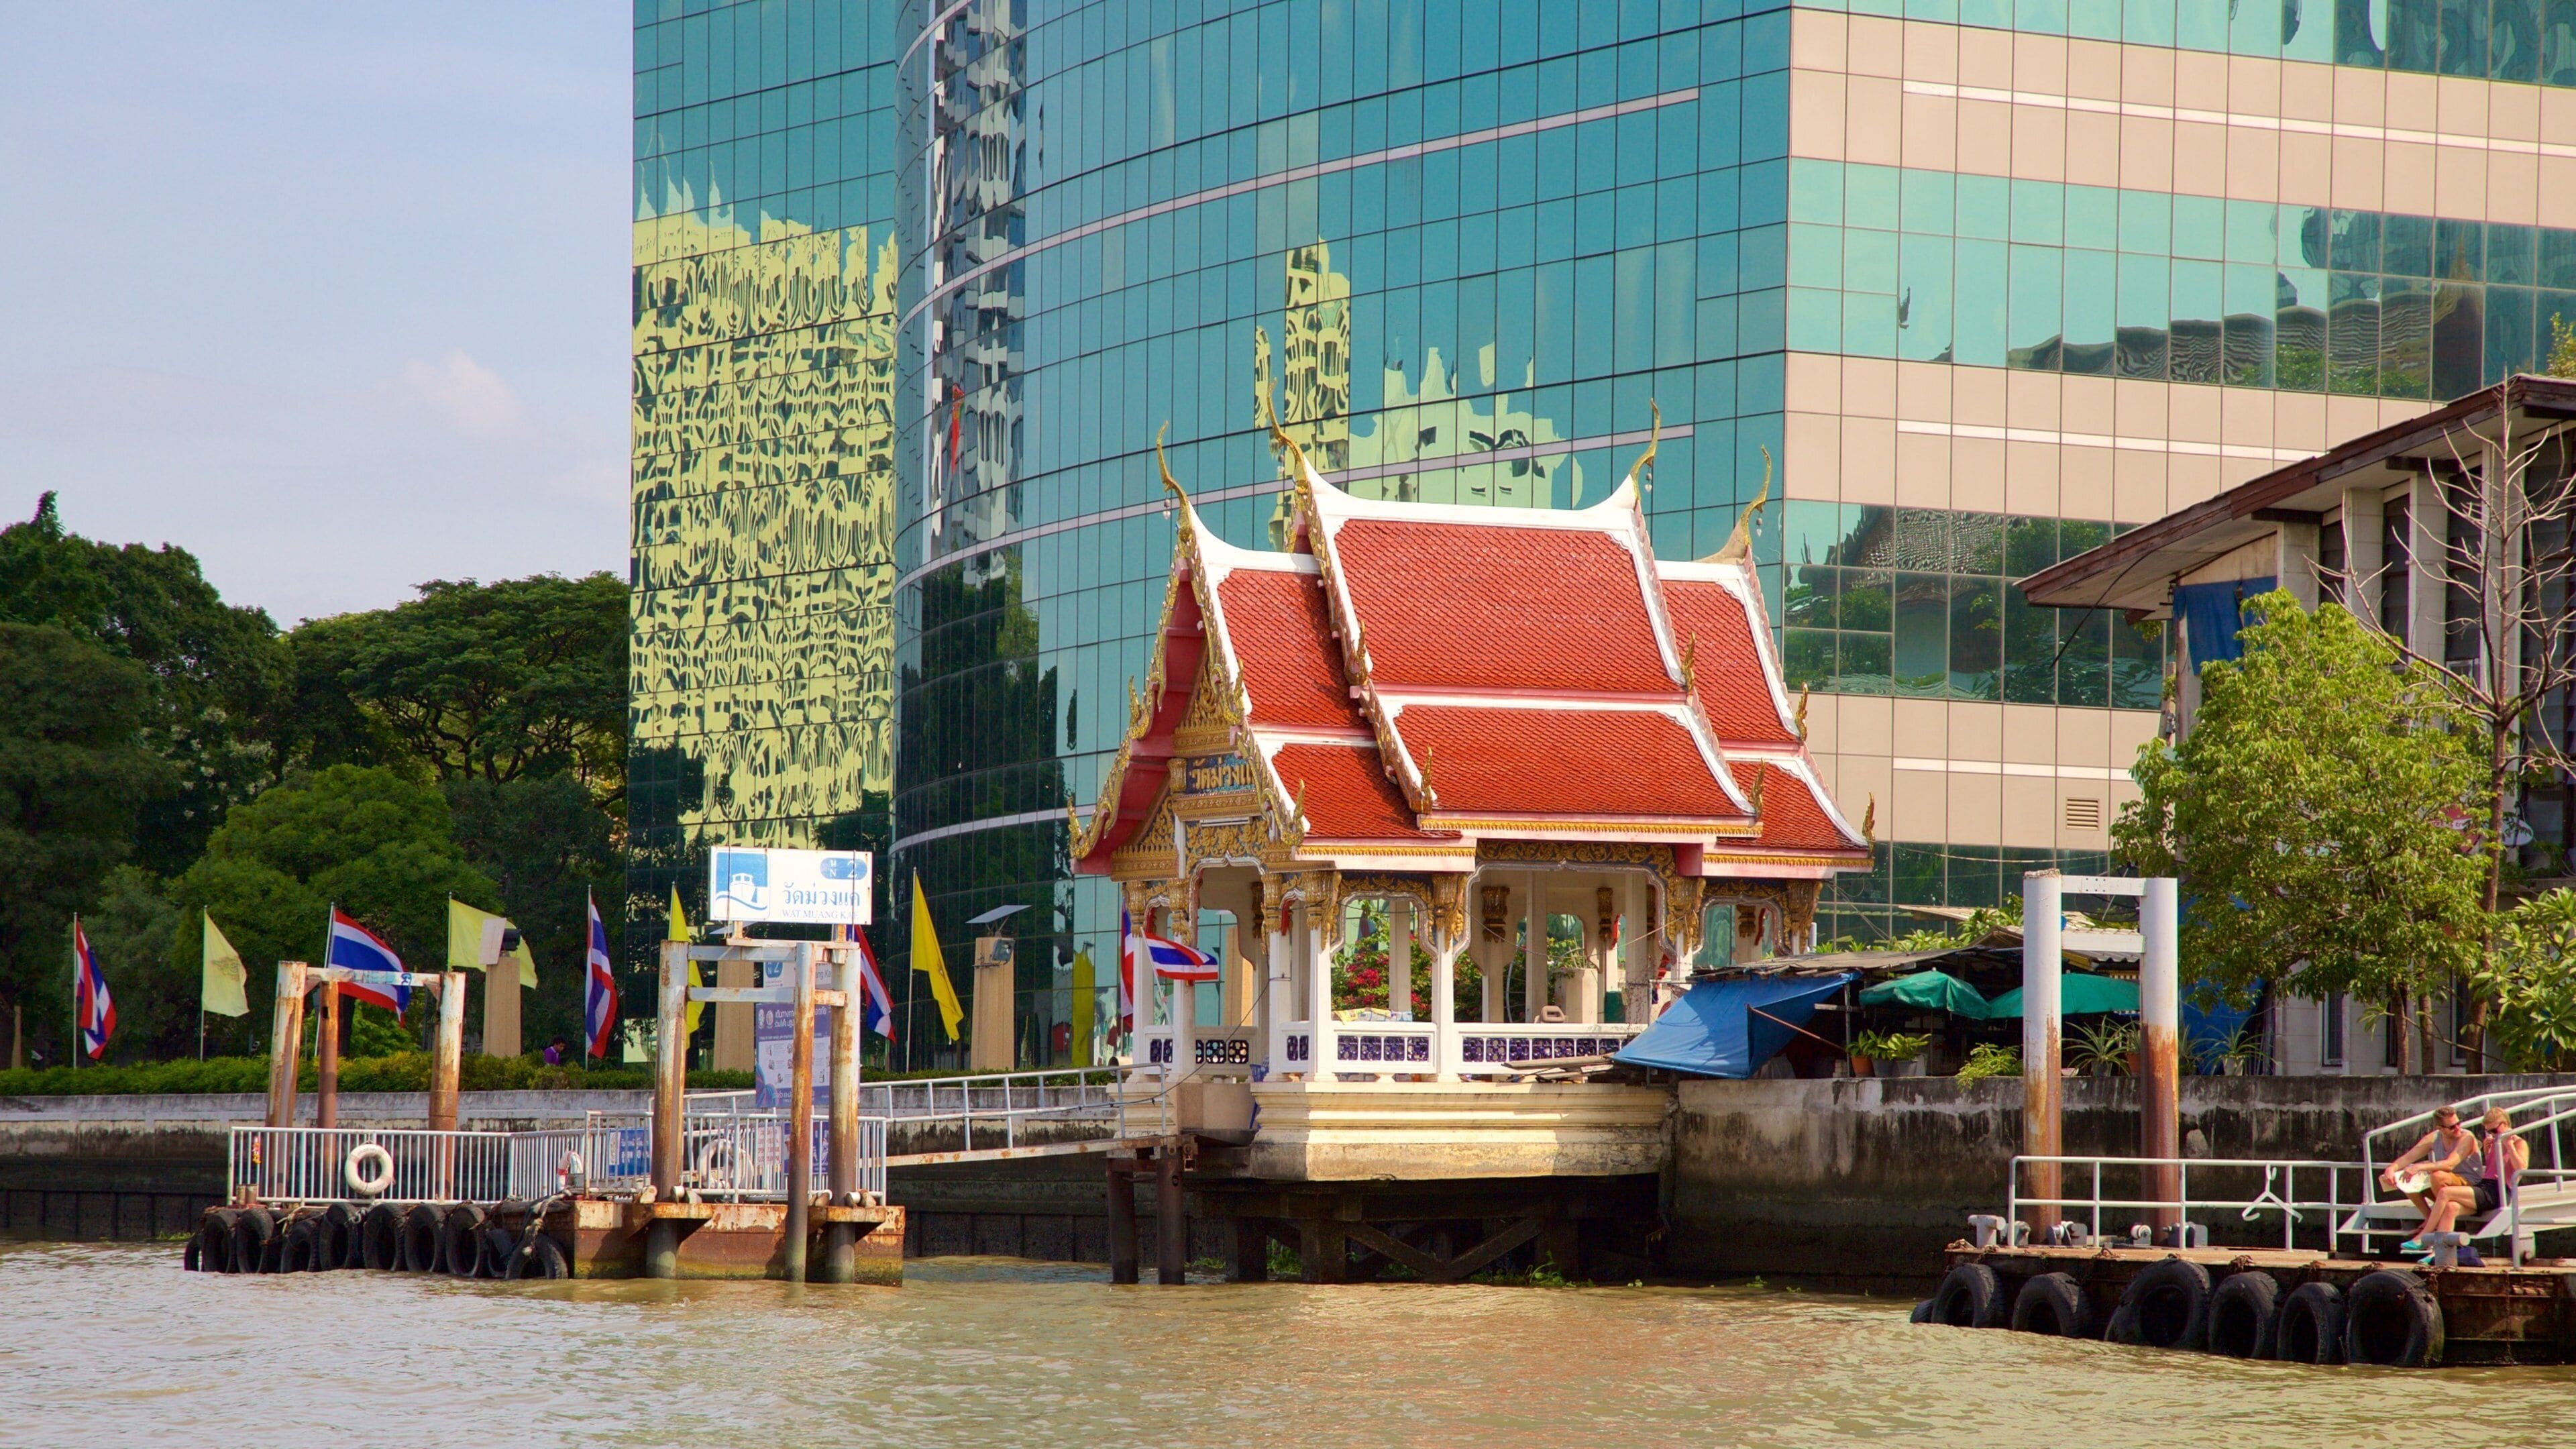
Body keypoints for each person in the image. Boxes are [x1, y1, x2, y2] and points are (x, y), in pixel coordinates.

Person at [2380, 1105, 2479, 1248]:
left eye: (2459, 1123)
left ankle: (2431, 1227)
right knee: (2407, 1177)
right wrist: (2391, 1168)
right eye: (2452, 1127)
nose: (2458, 1128)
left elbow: (2449, 1165)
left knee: (2438, 1175)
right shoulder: (2434, 1137)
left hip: (2469, 1184)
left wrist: (2420, 1167)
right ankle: (2430, 1219)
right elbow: (2409, 1157)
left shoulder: (2467, 1137)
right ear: (2440, 1129)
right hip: (2446, 1187)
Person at [2424, 1106, 2532, 1239]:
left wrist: (2509, 1146)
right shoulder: (2496, 1142)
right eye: (2488, 1131)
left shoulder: (2519, 1143)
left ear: (2505, 1124)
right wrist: (2487, 1154)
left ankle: (2424, 1235)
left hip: (2499, 1192)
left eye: (2494, 1130)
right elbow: (2493, 1170)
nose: (2492, 1134)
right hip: (2484, 1188)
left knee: (2445, 1192)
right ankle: (2440, 1250)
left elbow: (2521, 1169)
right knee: (2451, 1207)